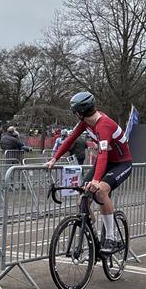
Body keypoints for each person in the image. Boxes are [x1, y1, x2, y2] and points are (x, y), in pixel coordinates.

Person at [45, 92, 133, 254]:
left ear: (80, 112)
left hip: (121, 164)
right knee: (82, 200)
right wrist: (54, 159)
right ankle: (90, 228)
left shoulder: (103, 125)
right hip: (105, 163)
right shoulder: (86, 122)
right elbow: (69, 140)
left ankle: (111, 238)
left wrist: (97, 180)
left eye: (75, 112)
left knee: (100, 191)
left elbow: (103, 154)